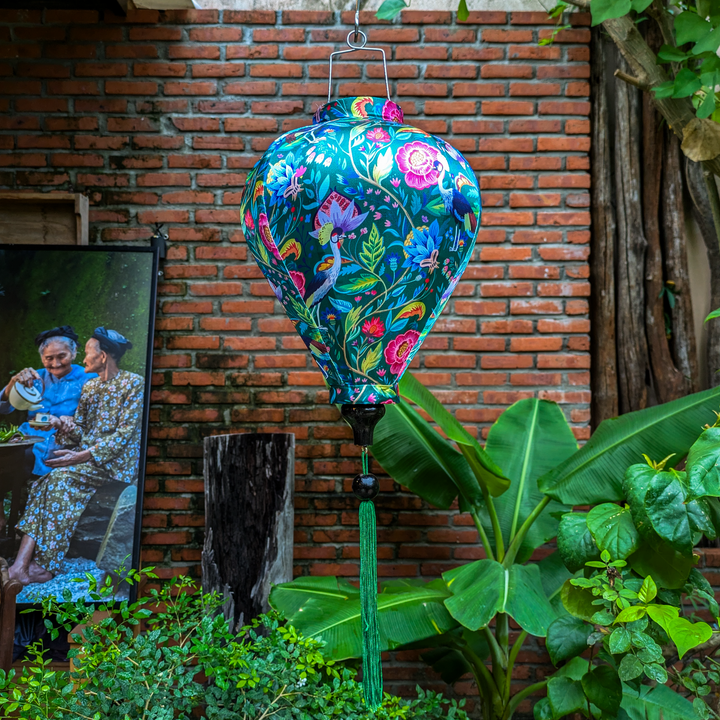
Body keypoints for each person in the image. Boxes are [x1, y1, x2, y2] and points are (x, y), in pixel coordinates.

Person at [9, 328, 144, 586]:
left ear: (103, 356)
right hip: (88, 460)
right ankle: (22, 565)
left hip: (113, 463)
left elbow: (126, 434)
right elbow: (80, 429)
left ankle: (43, 565)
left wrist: (81, 455)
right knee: (44, 483)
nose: (82, 359)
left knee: (57, 480)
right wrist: (63, 427)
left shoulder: (133, 384)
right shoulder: (91, 386)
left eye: (87, 353)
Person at [0, 326, 96, 532]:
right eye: (48, 358)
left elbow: (94, 419)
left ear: (75, 352)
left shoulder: (89, 379)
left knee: (23, 461)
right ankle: (2, 519)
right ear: (42, 357)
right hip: (27, 438)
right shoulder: (33, 378)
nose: (56, 363)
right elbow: (4, 408)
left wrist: (72, 419)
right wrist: (11, 383)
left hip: (60, 440)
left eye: (62, 356)